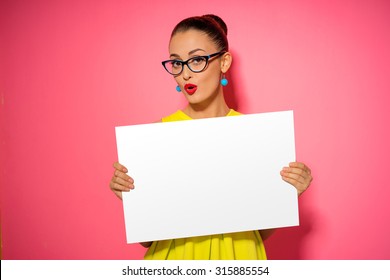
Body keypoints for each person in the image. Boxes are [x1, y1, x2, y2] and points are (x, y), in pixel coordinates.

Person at [109, 14, 313, 260]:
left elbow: (256, 232)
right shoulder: (154, 137)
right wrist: (130, 198)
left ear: (224, 62)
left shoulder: (256, 137)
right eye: (177, 63)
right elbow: (148, 240)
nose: (185, 74)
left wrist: (286, 194)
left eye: (197, 60)